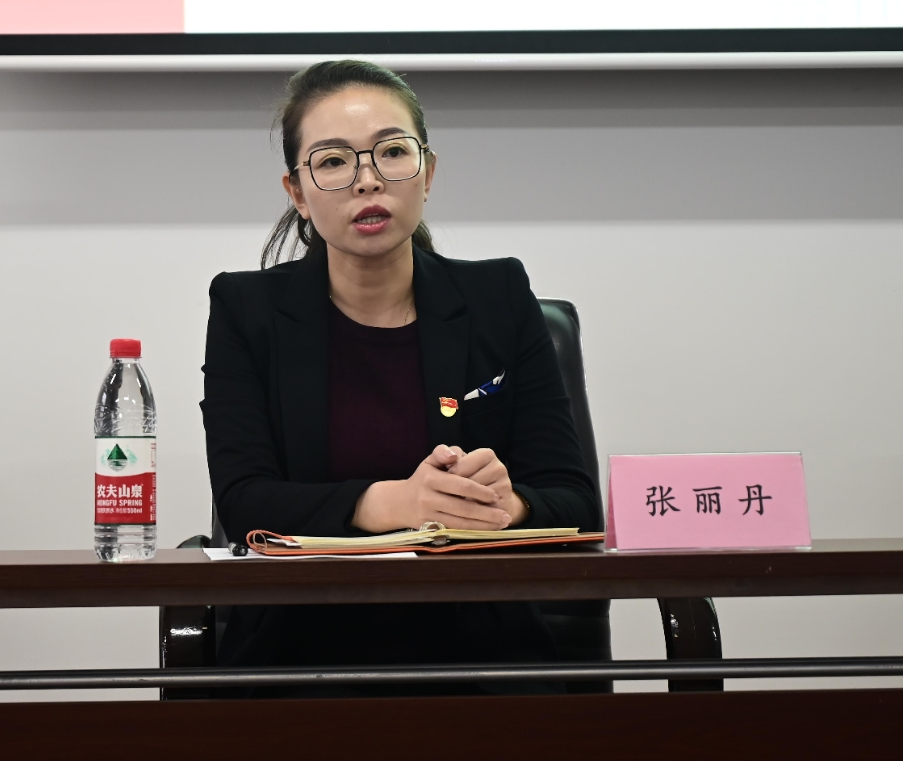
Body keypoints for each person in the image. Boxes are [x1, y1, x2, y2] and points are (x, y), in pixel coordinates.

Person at [201, 59, 602, 694]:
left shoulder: (498, 297)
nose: (368, 180)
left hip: (484, 658)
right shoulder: (247, 312)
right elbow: (245, 500)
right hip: (300, 656)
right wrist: (400, 505)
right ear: (297, 192)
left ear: (428, 173)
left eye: (392, 153)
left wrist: (510, 503)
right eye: (334, 162)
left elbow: (575, 501)